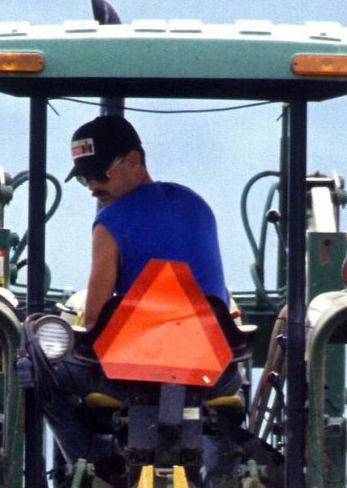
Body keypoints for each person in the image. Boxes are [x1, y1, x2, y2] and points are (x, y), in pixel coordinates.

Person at [67, 114, 230, 330]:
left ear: (134, 160)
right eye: (85, 178)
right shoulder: (197, 204)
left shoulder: (110, 222)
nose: (92, 186)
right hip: (216, 350)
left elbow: (94, 321)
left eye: (99, 174)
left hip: (145, 356)